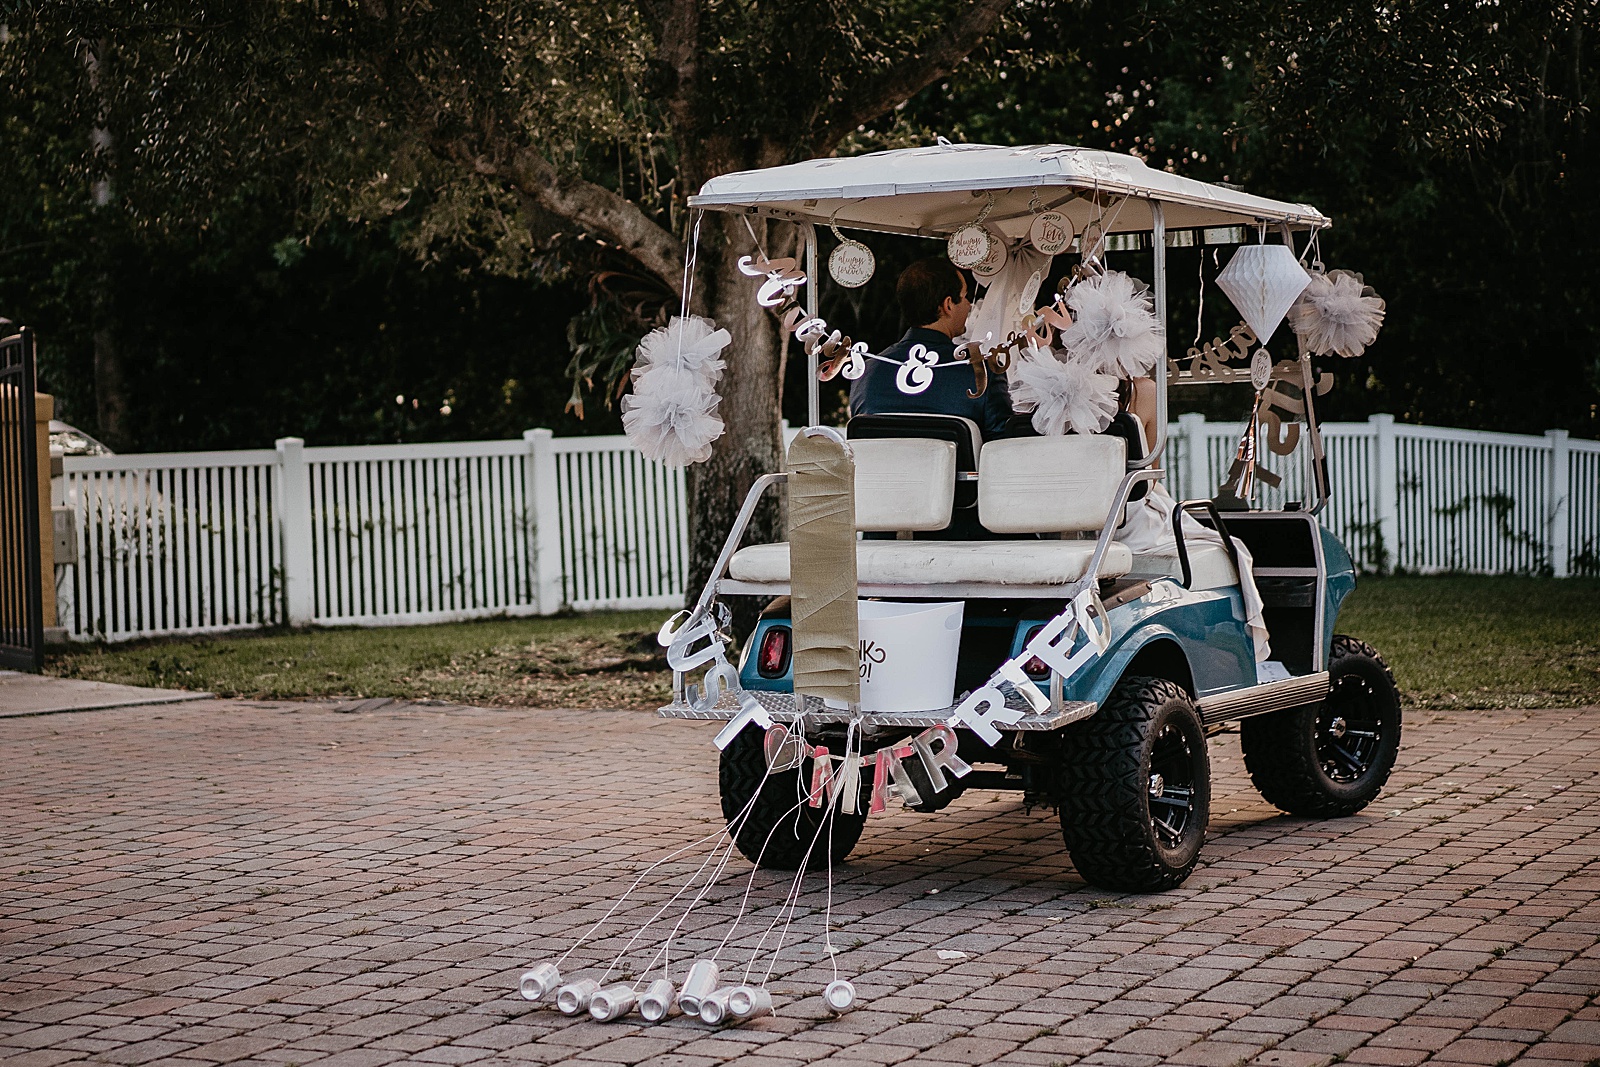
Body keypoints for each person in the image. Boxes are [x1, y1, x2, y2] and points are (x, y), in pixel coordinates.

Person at [849, 258, 1012, 439]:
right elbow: (1001, 450)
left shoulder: (865, 372)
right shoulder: (982, 371)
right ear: (948, 305)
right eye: (965, 296)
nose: (968, 305)